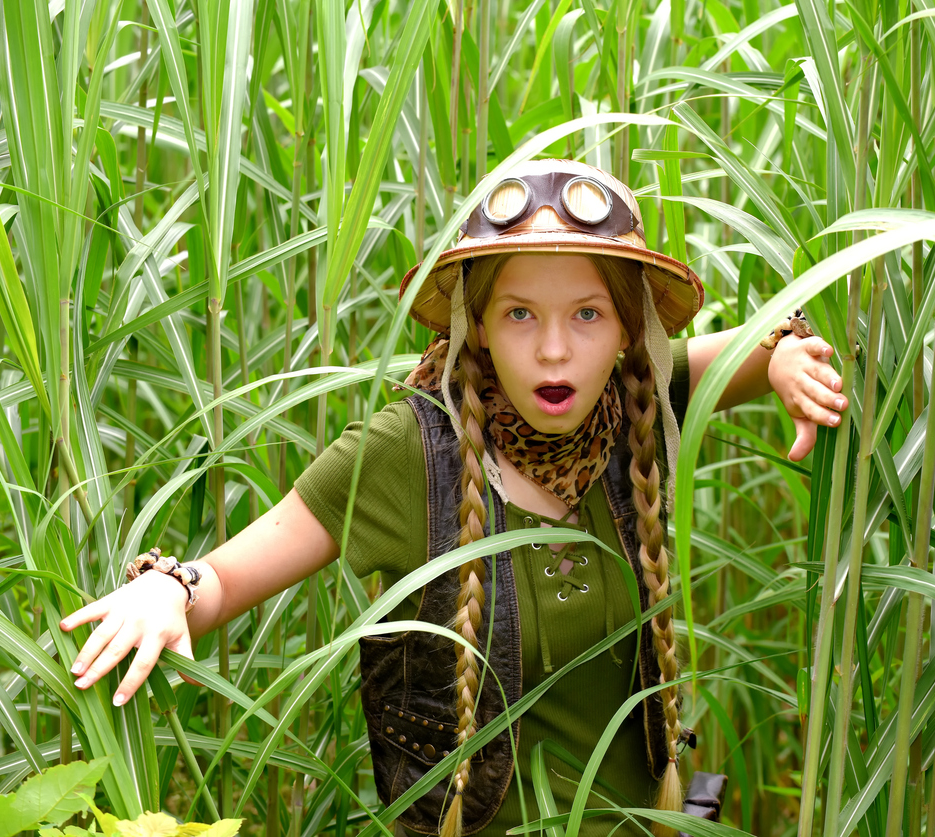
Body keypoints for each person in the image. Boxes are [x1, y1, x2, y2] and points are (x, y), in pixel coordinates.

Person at [60, 160, 847, 836]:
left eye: (587, 313)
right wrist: (167, 588)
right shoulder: (410, 452)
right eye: (518, 314)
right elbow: (226, 577)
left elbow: (755, 349)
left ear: (629, 331)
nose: (553, 349)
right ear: (475, 326)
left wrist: (784, 358)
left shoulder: (633, 402)